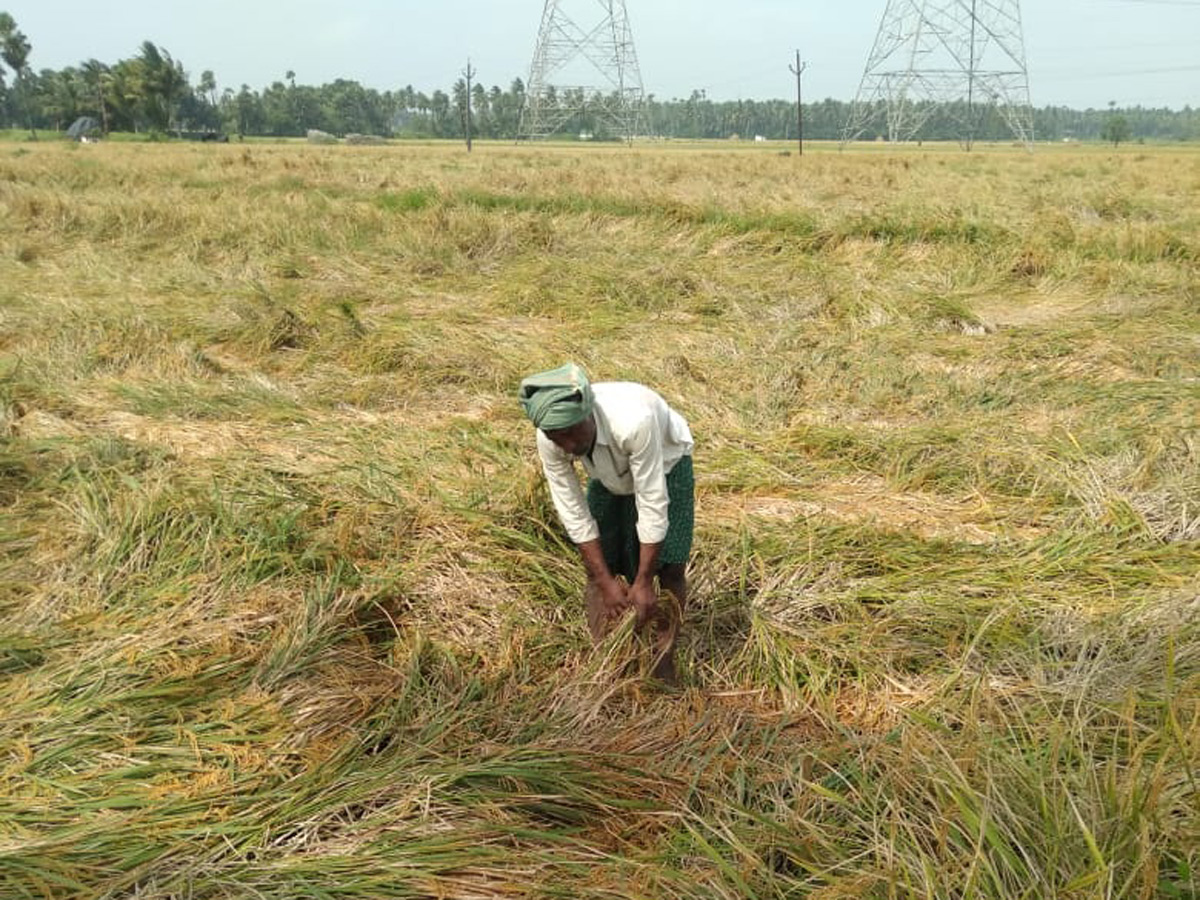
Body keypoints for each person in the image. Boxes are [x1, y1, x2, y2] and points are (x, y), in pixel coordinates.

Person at [518, 363, 694, 680]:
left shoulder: (632, 421)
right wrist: (604, 581)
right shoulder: (553, 437)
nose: (568, 446)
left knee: (671, 565)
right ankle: (608, 657)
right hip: (606, 473)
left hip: (666, 464)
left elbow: (652, 501)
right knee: (599, 567)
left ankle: (663, 659)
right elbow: (572, 509)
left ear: (590, 413)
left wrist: (642, 581)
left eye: (573, 433)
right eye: (557, 438)